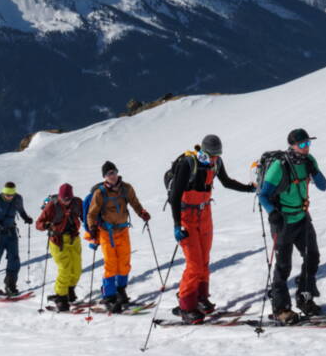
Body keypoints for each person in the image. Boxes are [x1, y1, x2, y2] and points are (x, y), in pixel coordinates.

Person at [167, 134, 255, 322]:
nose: (215, 159)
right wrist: (177, 225)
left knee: (204, 260)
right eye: (211, 155)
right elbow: (174, 197)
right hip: (187, 217)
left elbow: (227, 182)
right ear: (203, 152)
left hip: (205, 214)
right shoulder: (188, 164)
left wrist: (249, 188)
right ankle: (186, 305)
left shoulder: (217, 163)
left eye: (217, 155)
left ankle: (200, 297)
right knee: (194, 263)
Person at [260, 129, 326, 324]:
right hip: (283, 222)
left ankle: (304, 297)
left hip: (302, 218)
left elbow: (323, 186)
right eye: (303, 144)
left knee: (312, 257)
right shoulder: (279, 166)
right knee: (283, 267)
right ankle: (281, 309)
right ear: (292, 145)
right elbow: (263, 194)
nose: (307, 148)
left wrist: (313, 170)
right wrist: (272, 213)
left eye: (308, 144)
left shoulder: (309, 161)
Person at [86, 160, 151, 313]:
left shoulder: (126, 188)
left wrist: (142, 213)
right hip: (106, 233)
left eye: (114, 172)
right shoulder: (100, 193)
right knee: (111, 264)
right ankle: (109, 296)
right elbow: (91, 214)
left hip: (123, 231)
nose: (113, 176)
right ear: (104, 177)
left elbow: (135, 203)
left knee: (124, 262)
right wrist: (93, 230)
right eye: (109, 174)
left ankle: (121, 290)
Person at [36, 183, 85, 310]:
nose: (66, 201)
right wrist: (46, 225)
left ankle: (69, 290)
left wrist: (92, 225)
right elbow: (38, 223)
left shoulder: (77, 202)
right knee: (65, 268)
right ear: (59, 197)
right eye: (63, 199)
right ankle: (61, 296)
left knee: (77, 268)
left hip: (74, 238)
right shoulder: (52, 205)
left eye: (68, 199)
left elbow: (85, 215)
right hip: (58, 240)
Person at [0, 182, 34, 297]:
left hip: (11, 233)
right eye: (7, 195)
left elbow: (21, 211)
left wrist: (27, 218)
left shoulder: (17, 199)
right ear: (3, 192)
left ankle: (10, 286)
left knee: (14, 259)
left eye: (11, 195)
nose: (9, 197)